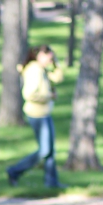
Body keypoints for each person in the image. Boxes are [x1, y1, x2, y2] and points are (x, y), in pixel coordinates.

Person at [7, 45, 66, 189]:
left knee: (50, 151)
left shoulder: (42, 69)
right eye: (48, 57)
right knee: (45, 151)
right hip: (37, 114)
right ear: (39, 55)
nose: (49, 60)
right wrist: (49, 96)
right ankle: (14, 171)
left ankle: (51, 182)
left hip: (45, 113)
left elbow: (58, 78)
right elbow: (29, 94)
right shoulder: (35, 71)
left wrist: (55, 63)